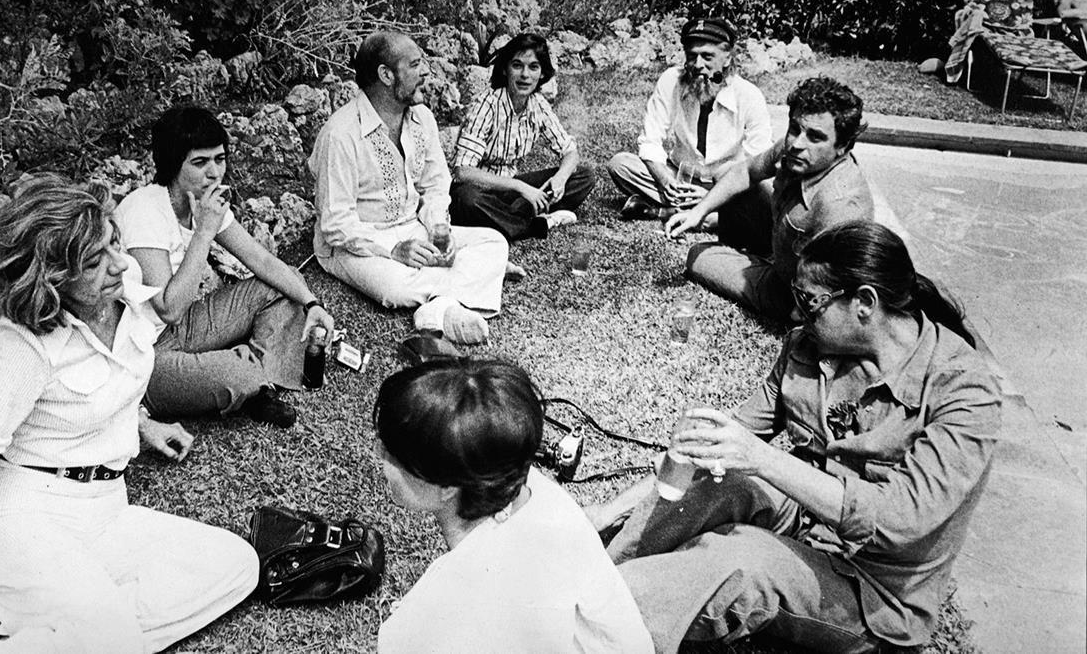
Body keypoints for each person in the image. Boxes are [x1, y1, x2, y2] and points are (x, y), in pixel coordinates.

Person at [589, 221, 999, 653]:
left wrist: (763, 459)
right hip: (807, 523)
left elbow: (900, 520)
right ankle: (603, 572)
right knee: (719, 481)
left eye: (808, 302)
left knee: (741, 559)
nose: (793, 314)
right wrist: (610, 509)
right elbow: (721, 443)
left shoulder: (964, 391)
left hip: (873, 589)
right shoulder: (807, 347)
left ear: (864, 303)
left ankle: (586, 618)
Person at [0, 176, 258, 654]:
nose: (120, 264)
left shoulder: (120, 291)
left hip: (107, 508)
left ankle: (41, 631)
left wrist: (142, 424)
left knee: (237, 565)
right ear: (54, 277)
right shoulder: (24, 345)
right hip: (29, 516)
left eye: (113, 244)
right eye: (94, 261)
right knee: (114, 636)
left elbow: (140, 343)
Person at [374, 359, 654, 653]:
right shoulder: (525, 485)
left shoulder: (465, 610)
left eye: (390, 453)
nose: (378, 457)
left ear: (446, 486)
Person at [114, 106, 335, 428]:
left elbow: (260, 260)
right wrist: (204, 230)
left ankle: (257, 382)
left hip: (185, 327)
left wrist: (312, 303)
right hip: (142, 350)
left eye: (219, 159)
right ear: (173, 165)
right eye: (200, 162)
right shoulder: (144, 209)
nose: (214, 173)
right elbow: (168, 309)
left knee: (285, 284)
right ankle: (248, 377)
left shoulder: (205, 202)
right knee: (236, 373)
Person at [309, 32, 509, 345]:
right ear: (386, 75)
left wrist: (437, 228)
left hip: (412, 229)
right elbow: (336, 225)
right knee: (395, 288)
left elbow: (435, 184)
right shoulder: (340, 135)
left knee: (494, 241)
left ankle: (438, 308)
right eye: (415, 64)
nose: (426, 71)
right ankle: (472, 281)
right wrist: (393, 250)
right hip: (355, 245)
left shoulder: (422, 118)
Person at [666, 76, 875, 322]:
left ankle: (753, 264)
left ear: (843, 146)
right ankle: (748, 252)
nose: (797, 143)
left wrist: (796, 317)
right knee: (727, 175)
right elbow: (745, 171)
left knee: (698, 257)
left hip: (793, 289)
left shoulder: (840, 206)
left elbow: (835, 294)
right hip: (781, 246)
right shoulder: (794, 151)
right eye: (795, 128)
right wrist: (697, 212)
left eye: (815, 137)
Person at [607, 17, 772, 221]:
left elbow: (758, 159)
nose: (698, 65)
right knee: (620, 164)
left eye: (707, 56)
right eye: (692, 56)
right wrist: (666, 182)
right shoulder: (671, 81)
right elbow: (650, 141)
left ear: (727, 58)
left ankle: (672, 211)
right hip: (679, 177)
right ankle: (712, 216)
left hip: (726, 183)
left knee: (767, 191)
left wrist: (714, 195)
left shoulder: (749, 95)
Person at [450, 33, 594, 244]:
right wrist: (521, 188)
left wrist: (560, 178)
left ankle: (509, 217)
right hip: (480, 191)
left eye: (533, 67)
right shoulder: (487, 104)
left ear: (542, 73)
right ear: (504, 69)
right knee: (467, 200)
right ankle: (534, 224)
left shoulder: (538, 104)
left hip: (511, 193)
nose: (525, 75)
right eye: (517, 66)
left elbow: (570, 151)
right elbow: (463, 172)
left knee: (583, 176)